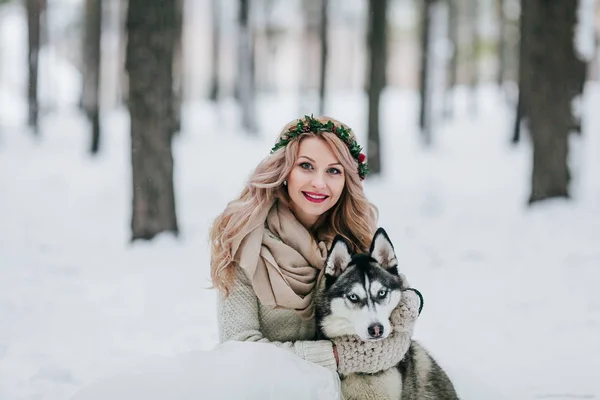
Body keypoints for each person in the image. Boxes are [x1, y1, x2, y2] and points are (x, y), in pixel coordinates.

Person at [209, 115, 421, 392]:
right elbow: (240, 352)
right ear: (284, 170)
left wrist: (410, 302)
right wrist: (334, 355)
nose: (319, 183)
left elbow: (394, 341)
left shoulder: (354, 240)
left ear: (348, 179)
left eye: (333, 171)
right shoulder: (244, 241)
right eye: (306, 166)